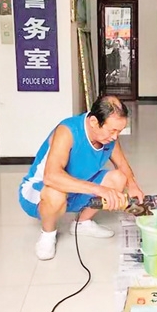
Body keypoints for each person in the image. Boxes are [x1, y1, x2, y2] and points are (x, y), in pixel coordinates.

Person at [18, 95, 144, 260]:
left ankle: (82, 223)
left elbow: (122, 165)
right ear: (94, 122)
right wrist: (99, 189)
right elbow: (51, 177)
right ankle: (48, 234)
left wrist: (133, 186)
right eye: (112, 131)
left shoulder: (109, 138)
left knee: (119, 178)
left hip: (75, 190)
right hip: (39, 191)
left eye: (119, 131)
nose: (115, 137)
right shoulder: (67, 131)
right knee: (55, 193)